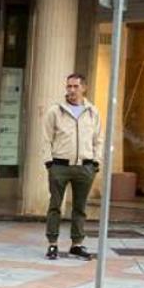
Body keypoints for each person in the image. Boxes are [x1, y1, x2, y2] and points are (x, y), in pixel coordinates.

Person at [41, 73, 102, 260]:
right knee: (55, 206)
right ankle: (52, 244)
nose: (71, 90)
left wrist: (96, 161)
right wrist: (49, 162)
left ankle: (77, 244)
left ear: (84, 88)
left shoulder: (92, 112)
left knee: (80, 207)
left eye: (75, 87)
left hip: (85, 167)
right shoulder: (55, 111)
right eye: (69, 86)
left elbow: (98, 139)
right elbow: (46, 138)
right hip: (60, 166)